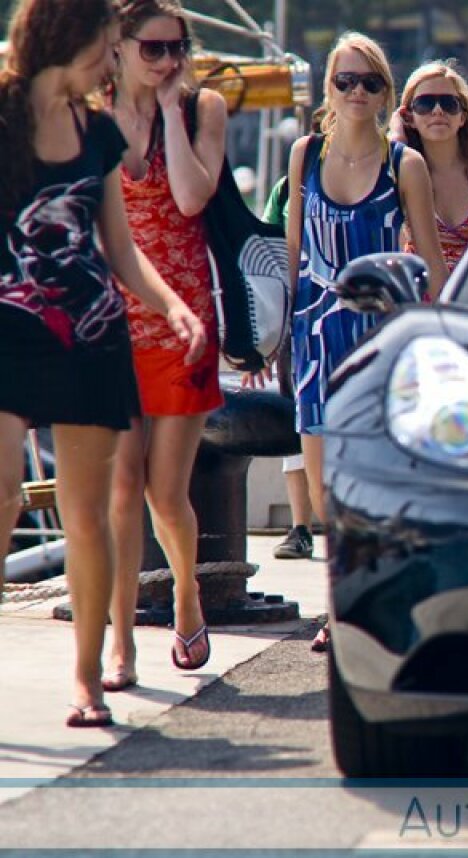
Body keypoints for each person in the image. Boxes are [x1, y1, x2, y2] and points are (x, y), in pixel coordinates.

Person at [0, 0, 206, 727]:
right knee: (4, 497)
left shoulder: (97, 133)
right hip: (7, 331)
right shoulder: (1, 116)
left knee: (86, 515)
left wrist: (173, 305)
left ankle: (87, 681)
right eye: (102, 45)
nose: (107, 60)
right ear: (63, 39)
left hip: (91, 334)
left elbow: (119, 248)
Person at [281, 32, 448, 649]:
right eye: (345, 80)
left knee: (376, 480)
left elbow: (428, 261)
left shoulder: (404, 165)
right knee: (326, 492)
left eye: (370, 82)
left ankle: (361, 605)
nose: (356, 92)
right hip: (316, 337)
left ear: (385, 93)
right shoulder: (304, 154)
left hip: (379, 342)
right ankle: (340, 604)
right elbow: (293, 253)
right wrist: (274, 339)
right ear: (328, 87)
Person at [102, 0, 225, 690]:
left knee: (165, 495)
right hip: (113, 327)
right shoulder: (92, 113)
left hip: (184, 322)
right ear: (118, 46)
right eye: (153, 49)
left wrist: (172, 108)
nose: (168, 61)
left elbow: (187, 198)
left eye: (177, 47)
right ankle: (121, 643)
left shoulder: (203, 108)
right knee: (121, 490)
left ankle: (185, 594)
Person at [395, 60, 468, 272]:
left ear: (462, 117)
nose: (438, 111)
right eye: (425, 104)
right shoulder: (398, 178)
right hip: (421, 303)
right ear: (409, 117)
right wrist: (397, 138)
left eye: (449, 103)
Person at [259, 174, 314, 560]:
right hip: (301, 312)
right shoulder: (288, 186)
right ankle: (301, 526)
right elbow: (270, 245)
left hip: (359, 313)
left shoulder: (382, 171)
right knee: (300, 418)